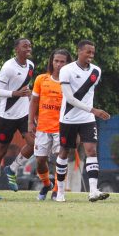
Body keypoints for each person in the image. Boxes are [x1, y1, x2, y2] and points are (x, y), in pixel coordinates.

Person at [55, 40, 111, 202]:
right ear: (79, 51)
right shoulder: (66, 70)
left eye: (93, 53)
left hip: (87, 119)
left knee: (91, 150)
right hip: (68, 119)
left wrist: (91, 112)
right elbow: (70, 98)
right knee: (64, 152)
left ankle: (93, 191)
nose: (91, 55)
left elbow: (88, 95)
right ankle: (60, 192)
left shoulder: (96, 71)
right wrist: (93, 110)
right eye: (88, 52)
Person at [0, 38, 35, 200]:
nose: (28, 48)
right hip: (6, 115)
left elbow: (25, 89)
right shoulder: (8, 67)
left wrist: (28, 94)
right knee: (1, 150)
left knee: (35, 144)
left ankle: (12, 169)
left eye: (29, 46)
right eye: (24, 46)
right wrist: (14, 93)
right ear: (16, 49)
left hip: (23, 113)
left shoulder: (31, 66)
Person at [28, 49, 71, 200]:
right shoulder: (41, 79)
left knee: (60, 160)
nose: (58, 64)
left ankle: (57, 190)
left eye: (62, 62)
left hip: (62, 127)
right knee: (40, 161)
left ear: (67, 63)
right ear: (51, 62)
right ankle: (46, 184)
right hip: (42, 127)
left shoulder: (70, 82)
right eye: (56, 61)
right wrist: (30, 122)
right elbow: (34, 101)